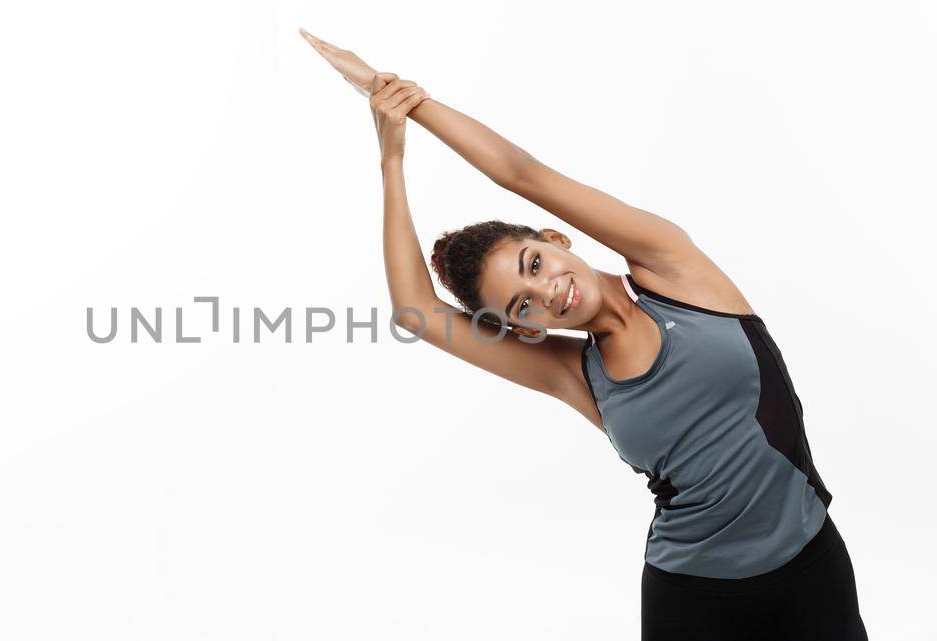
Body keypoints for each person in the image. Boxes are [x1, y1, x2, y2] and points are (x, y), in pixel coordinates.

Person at [301, 29, 870, 641]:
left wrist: (403, 100)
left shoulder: (672, 269)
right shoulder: (574, 374)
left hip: (810, 563)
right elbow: (416, 311)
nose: (546, 292)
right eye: (523, 305)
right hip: (691, 593)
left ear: (556, 238)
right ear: (522, 326)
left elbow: (521, 173)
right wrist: (392, 157)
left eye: (535, 264)